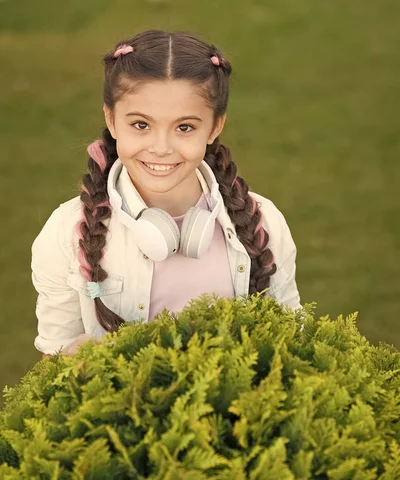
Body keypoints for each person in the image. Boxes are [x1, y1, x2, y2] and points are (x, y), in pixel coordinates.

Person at [31, 30, 302, 359]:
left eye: (184, 127)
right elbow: (50, 366)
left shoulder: (264, 222)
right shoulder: (65, 233)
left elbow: (294, 345)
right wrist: (71, 361)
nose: (161, 148)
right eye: (141, 125)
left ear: (215, 127)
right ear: (111, 120)